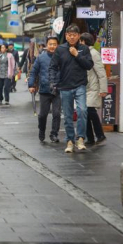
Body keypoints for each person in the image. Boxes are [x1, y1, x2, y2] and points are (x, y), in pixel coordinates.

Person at [49, 24, 94, 153]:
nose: (72, 37)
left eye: (74, 35)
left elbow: (89, 65)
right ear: (66, 36)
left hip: (80, 85)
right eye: (69, 35)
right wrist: (52, 82)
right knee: (68, 116)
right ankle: (70, 141)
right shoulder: (60, 49)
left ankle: (80, 138)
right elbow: (52, 66)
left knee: (82, 111)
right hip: (65, 86)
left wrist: (77, 55)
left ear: (79, 36)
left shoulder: (84, 49)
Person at [29, 36, 61, 143]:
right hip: (44, 90)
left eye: (54, 44)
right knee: (43, 114)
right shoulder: (41, 58)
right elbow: (33, 72)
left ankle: (54, 134)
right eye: (50, 44)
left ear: (58, 45)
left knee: (57, 113)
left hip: (58, 89)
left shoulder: (62, 57)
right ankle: (41, 130)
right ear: (47, 45)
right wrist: (31, 85)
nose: (52, 46)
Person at [79, 33, 108, 146]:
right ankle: (90, 138)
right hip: (85, 87)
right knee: (84, 112)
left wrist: (103, 89)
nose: (79, 44)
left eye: (81, 41)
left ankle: (100, 135)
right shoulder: (84, 53)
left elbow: (101, 73)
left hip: (93, 88)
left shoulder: (93, 54)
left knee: (90, 110)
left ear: (84, 42)